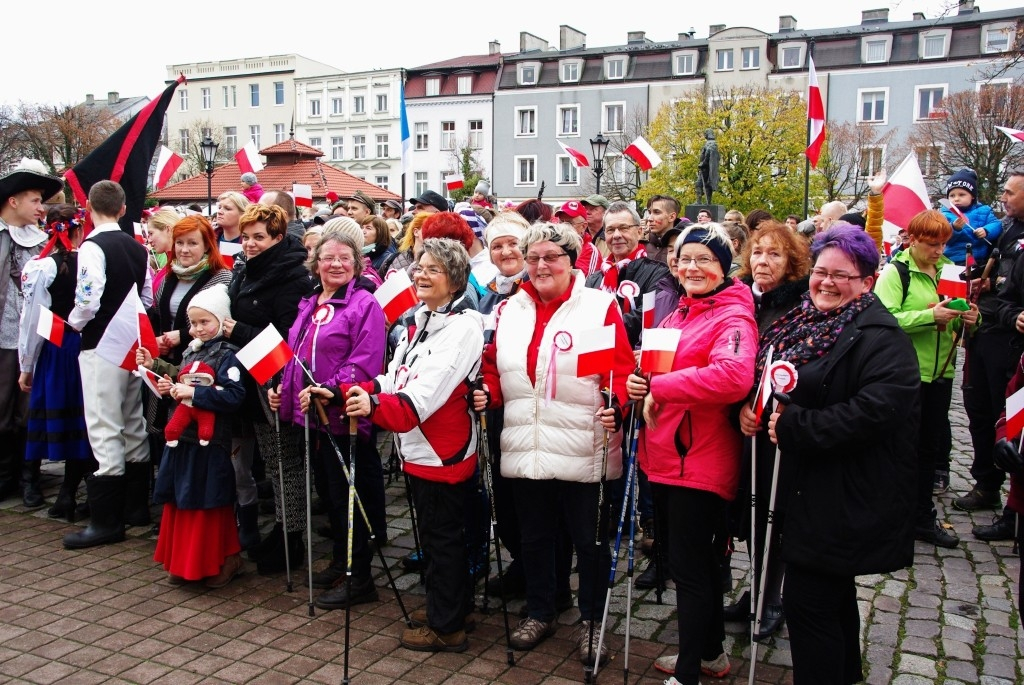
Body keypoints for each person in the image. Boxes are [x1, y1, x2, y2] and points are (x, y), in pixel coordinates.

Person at [306, 238, 483, 653]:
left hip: (443, 453)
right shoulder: (420, 320)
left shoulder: (462, 329)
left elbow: (416, 402)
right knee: (435, 539)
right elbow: (394, 378)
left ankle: (447, 625)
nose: (420, 274)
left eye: (432, 270)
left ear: (455, 280)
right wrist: (344, 390)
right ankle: (451, 606)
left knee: (443, 541)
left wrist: (371, 403)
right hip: (419, 451)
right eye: (419, 267)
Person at [763, 225, 919, 684]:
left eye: (841, 276)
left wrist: (797, 425)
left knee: (808, 603)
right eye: (820, 272)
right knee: (830, 596)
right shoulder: (809, 321)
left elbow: (877, 410)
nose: (826, 282)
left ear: (868, 281)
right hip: (815, 486)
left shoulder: (880, 336)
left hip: (847, 493)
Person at [476, 221, 634, 664]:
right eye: (533, 258)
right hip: (526, 439)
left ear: (572, 261)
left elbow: (616, 372)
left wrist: (616, 403)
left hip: (583, 440)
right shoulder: (511, 309)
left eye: (552, 257)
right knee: (535, 537)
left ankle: (592, 622)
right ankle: (543, 609)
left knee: (589, 541)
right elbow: (495, 366)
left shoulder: (597, 307)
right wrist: (488, 390)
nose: (541, 265)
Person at [628, 223, 756, 684]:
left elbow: (732, 377)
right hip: (665, 458)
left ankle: (687, 672)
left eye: (704, 259)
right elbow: (651, 369)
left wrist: (658, 385)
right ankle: (711, 654)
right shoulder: (677, 314)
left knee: (693, 572)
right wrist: (637, 382)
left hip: (698, 462)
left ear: (724, 266)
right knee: (688, 564)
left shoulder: (732, 318)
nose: (692, 267)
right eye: (685, 259)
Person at [269, 226, 388, 609]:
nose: (335, 264)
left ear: (356, 263)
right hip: (314, 419)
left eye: (344, 258)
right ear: (315, 263)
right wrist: (282, 387)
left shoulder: (364, 304)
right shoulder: (311, 301)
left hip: (345, 416)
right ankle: (342, 561)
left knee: (352, 498)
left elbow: (365, 360)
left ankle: (360, 576)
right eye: (328, 258)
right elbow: (296, 353)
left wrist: (330, 389)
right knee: (332, 497)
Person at [723, 220, 812, 642]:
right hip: (741, 423)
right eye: (758, 252)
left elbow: (800, 370)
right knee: (748, 510)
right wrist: (739, 406)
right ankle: (755, 587)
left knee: (772, 512)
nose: (763, 261)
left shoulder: (800, 306)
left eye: (774, 254)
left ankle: (771, 596)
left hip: (777, 426)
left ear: (791, 261)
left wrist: (769, 407)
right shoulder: (739, 298)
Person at [876, 210, 978, 548]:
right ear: (913, 239)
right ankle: (891, 517)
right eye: (932, 244)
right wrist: (927, 316)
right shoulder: (896, 271)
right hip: (905, 373)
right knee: (900, 448)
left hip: (941, 371)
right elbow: (883, 319)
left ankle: (921, 515)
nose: (938, 250)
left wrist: (969, 318)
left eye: (943, 244)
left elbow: (958, 316)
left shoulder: (949, 268)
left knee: (928, 450)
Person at [63, 180, 154, 549]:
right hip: (132, 342)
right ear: (121, 208)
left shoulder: (92, 246)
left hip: (101, 342)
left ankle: (106, 521)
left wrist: (75, 322)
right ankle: (136, 508)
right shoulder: (137, 247)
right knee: (132, 419)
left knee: (102, 422)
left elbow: (88, 297)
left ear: (88, 207)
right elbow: (145, 295)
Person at [225, 203, 313, 573]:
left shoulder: (292, 275)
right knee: (272, 462)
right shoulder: (247, 269)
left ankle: (293, 537)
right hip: (253, 375)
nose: (249, 244)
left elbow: (288, 335)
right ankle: (281, 528)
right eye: (245, 237)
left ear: (278, 237)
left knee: (285, 462)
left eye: (259, 237)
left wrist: (237, 331)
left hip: (278, 379)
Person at [139, 284, 246, 587]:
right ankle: (183, 561)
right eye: (193, 323)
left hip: (211, 442)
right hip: (182, 439)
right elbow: (179, 375)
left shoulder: (229, 355)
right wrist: (161, 375)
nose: (198, 329)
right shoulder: (190, 350)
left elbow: (234, 396)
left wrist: (195, 393)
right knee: (181, 496)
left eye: (204, 322)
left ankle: (221, 559)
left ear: (220, 320)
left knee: (208, 499)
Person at [18, 205, 94, 519]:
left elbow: (31, 321)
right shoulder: (90, 263)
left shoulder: (41, 267)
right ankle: (66, 492)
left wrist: (26, 365)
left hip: (56, 346)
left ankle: (37, 485)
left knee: (51, 414)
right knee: (79, 418)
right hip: (82, 345)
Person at [965, 171, 1024, 538]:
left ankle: (1014, 510)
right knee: (980, 411)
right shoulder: (1007, 230)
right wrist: (983, 284)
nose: (1002, 196)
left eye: (1009, 191)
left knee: (1014, 424)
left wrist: (1008, 311)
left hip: (1013, 345)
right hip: (988, 332)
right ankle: (987, 483)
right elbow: (1002, 288)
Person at [0, 160, 62, 505]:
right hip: (1, 336)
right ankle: (4, 475)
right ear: (13, 201)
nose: (42, 208)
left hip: (35, 339)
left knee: (30, 410)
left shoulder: (46, 243)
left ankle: (29, 477)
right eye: (35, 201)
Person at [475, 212, 530, 597]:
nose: (506, 251)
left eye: (513, 243)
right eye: (497, 245)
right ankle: (521, 562)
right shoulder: (491, 291)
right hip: (496, 404)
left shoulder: (535, 289)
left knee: (527, 496)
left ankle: (538, 572)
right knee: (504, 495)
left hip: (526, 405)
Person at [941, 168, 1001, 265]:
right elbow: (941, 237)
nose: (956, 199)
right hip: (952, 261)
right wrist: (954, 228)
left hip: (979, 260)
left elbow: (997, 224)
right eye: (952, 196)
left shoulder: (984, 211)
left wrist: (986, 230)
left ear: (972, 196)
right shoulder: (944, 214)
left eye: (961, 195)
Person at [645, 195, 681, 264]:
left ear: (671, 217)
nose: (649, 218)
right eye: (650, 213)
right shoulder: (640, 244)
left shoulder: (684, 245)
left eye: (656, 212)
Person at [696, 129, 720, 204]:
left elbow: (708, 154)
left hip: (706, 168)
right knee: (706, 185)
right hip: (707, 168)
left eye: (705, 133)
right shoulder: (712, 143)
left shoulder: (710, 143)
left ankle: (699, 201)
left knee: (699, 183)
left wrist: (702, 163)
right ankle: (707, 202)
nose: (705, 135)